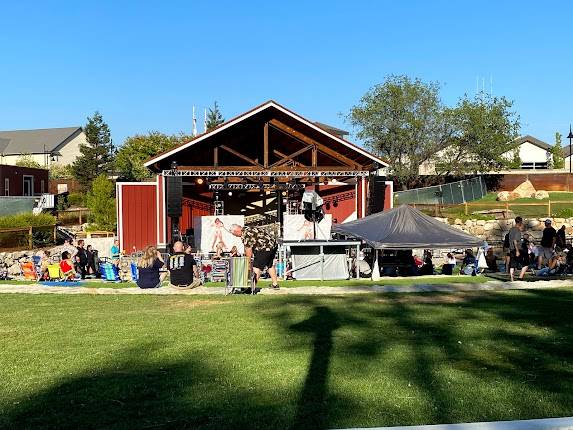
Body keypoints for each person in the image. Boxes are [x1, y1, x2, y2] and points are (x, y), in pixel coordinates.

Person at [229, 224, 279, 289]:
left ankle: (251, 288)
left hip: (265, 247)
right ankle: (275, 284)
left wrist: (248, 262)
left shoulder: (246, 234)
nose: (235, 236)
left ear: (236, 231)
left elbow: (248, 249)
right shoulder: (248, 228)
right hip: (273, 244)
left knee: (256, 267)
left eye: (234, 234)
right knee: (269, 264)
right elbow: (247, 246)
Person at [509, 216, 528, 281]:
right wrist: (517, 250)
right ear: (520, 222)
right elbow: (515, 241)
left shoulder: (511, 229)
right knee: (526, 263)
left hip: (511, 249)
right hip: (517, 249)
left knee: (512, 265)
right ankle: (520, 277)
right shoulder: (517, 230)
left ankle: (512, 279)